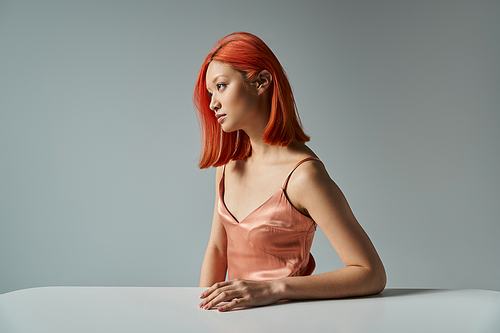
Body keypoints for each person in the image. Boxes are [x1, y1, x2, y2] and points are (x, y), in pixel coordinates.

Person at [194, 32, 386, 312]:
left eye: (221, 86)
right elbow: (217, 250)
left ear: (261, 82)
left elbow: (370, 272)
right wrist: (200, 315)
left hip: (288, 320)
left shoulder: (304, 176)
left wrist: (273, 289)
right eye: (211, 93)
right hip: (233, 322)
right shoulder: (227, 167)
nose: (212, 104)